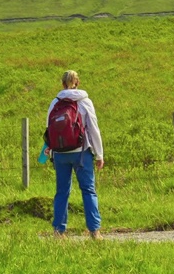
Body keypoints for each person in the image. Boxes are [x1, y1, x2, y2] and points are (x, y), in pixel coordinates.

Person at [43, 69, 104, 239]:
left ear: (62, 84)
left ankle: (58, 231)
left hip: (60, 154)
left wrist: (49, 150)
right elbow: (93, 128)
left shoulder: (55, 102)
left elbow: (49, 128)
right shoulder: (85, 102)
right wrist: (99, 154)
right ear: (77, 82)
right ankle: (94, 231)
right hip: (81, 153)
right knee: (88, 190)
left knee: (62, 191)